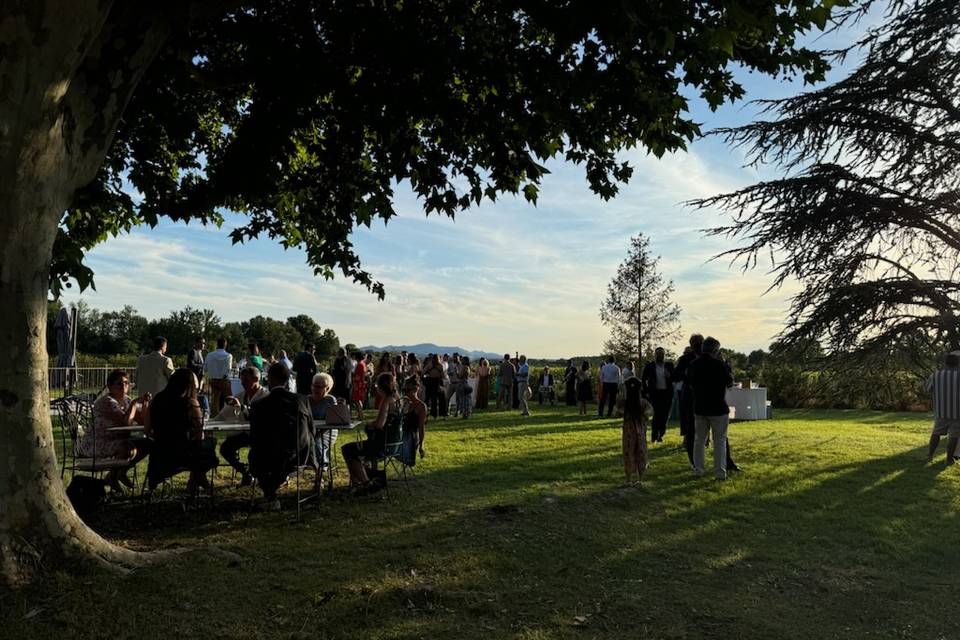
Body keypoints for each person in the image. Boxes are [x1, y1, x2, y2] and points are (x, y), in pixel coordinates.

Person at [248, 362, 315, 510]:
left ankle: (270, 495)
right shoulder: (302, 400)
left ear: (269, 379)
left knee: (255, 457)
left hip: (269, 458)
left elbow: (254, 437)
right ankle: (271, 495)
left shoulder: (259, 405)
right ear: (287, 379)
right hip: (299, 456)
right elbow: (312, 430)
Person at [144, 368, 218, 492]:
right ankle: (195, 480)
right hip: (183, 454)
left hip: (160, 454)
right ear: (190, 386)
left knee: (199, 451)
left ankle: (198, 481)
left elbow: (147, 430)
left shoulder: (156, 400)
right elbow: (200, 434)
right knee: (209, 445)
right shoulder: (190, 403)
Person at [82, 369, 151, 492]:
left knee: (147, 443)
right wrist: (135, 404)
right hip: (98, 441)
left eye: (126, 383)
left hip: (118, 438)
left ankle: (119, 473)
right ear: (109, 386)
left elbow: (142, 421)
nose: (123, 386)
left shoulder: (126, 400)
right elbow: (126, 422)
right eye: (119, 383)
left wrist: (145, 404)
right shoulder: (107, 402)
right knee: (128, 449)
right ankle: (113, 476)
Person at [341, 372, 402, 494]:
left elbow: (380, 424)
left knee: (347, 449)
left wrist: (370, 423)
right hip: (395, 444)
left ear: (380, 387)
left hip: (382, 445)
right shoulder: (398, 399)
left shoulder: (386, 401)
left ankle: (365, 483)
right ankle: (358, 482)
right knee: (355, 450)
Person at [688, 337, 734, 480]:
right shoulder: (720, 365)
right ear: (716, 350)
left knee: (699, 441)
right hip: (718, 408)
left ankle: (698, 469)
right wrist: (725, 363)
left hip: (700, 407)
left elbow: (690, 383)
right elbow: (730, 382)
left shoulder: (693, 364)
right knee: (719, 441)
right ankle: (720, 473)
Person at [218, 366, 269, 486]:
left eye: (246, 381)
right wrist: (209, 422)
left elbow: (259, 419)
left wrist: (240, 407)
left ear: (256, 379)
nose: (243, 384)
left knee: (255, 454)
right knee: (225, 448)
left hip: (262, 435)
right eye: (242, 381)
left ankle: (258, 475)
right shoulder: (241, 396)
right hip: (245, 433)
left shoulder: (266, 396)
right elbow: (222, 415)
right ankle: (245, 472)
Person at [925, 352, 960, 464]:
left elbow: (927, 389)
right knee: (954, 436)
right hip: (957, 412)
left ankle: (930, 455)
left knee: (936, 433)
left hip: (941, 411)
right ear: (957, 363)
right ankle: (949, 459)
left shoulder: (935, 375)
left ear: (945, 363)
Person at [673, 337, 702, 467]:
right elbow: (676, 375)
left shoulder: (708, 357)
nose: (697, 346)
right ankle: (693, 461)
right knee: (690, 430)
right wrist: (689, 375)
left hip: (704, 397)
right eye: (695, 343)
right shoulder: (685, 359)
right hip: (689, 396)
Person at [622, 376, 653, 486]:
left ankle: (628, 478)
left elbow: (617, 412)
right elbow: (649, 413)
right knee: (641, 451)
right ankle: (640, 478)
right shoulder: (643, 403)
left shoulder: (625, 403)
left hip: (628, 431)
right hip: (640, 430)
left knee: (628, 452)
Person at [641, 348, 675, 443]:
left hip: (667, 393)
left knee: (664, 415)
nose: (660, 356)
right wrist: (646, 391)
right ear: (655, 355)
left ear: (664, 355)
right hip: (655, 394)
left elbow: (675, 377)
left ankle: (661, 434)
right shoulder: (650, 366)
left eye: (662, 354)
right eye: (658, 354)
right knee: (657, 414)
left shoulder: (669, 365)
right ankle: (654, 436)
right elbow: (643, 379)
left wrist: (670, 376)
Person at [307, 372, 339, 470]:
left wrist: (314, 434)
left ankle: (321, 468)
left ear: (327, 388)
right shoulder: (307, 399)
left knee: (316, 442)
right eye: (313, 386)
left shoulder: (330, 400)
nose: (315, 389)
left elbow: (333, 421)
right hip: (310, 431)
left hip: (327, 431)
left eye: (318, 387)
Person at [205, 337, 233, 414]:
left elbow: (205, 368)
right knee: (229, 398)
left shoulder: (209, 355)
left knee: (214, 400)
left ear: (217, 344)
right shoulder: (228, 356)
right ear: (225, 345)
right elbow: (228, 369)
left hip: (213, 379)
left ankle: (215, 416)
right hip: (224, 380)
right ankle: (230, 414)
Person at [403, 376, 428, 459]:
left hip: (411, 437)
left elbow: (421, 427)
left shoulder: (421, 407)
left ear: (415, 390)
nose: (406, 393)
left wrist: (422, 446)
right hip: (402, 435)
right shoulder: (405, 403)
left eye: (408, 390)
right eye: (404, 390)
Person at [423, 354, 445, 419]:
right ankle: (438, 413)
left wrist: (427, 376)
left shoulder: (430, 365)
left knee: (431, 399)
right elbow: (442, 375)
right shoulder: (439, 366)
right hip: (436, 382)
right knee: (436, 399)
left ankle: (432, 413)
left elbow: (423, 373)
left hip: (432, 382)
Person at [351, 351, 368, 421]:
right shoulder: (363, 363)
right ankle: (360, 415)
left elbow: (357, 376)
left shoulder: (359, 364)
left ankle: (360, 416)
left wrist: (353, 376)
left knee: (356, 400)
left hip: (358, 384)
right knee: (359, 400)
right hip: (362, 384)